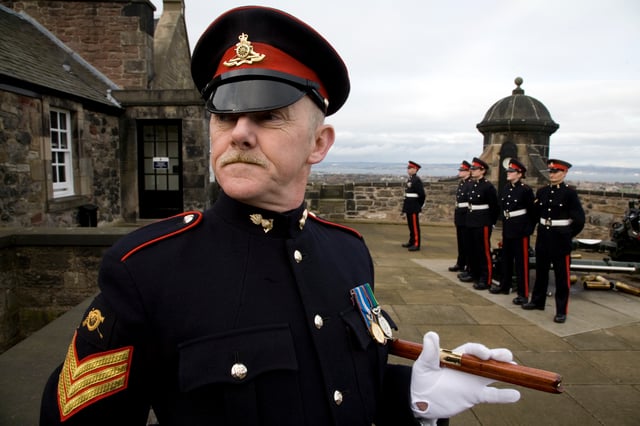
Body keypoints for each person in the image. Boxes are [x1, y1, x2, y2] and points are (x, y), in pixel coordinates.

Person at [39, 6, 520, 425]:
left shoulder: (348, 253)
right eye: (225, 116)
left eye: (269, 116)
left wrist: (413, 397)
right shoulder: (147, 270)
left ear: (318, 143)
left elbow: (341, 389)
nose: (240, 134)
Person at [523, 159, 585, 323]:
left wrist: (567, 234)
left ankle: (561, 310)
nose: (552, 174)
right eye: (550, 171)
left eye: (556, 171)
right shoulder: (543, 192)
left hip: (560, 239)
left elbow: (579, 220)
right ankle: (537, 301)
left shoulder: (569, 194)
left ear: (564, 173)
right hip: (544, 236)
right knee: (541, 272)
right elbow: (536, 214)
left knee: (561, 277)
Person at [489, 159, 535, 306]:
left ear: (519, 174)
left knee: (521, 263)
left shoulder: (525, 190)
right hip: (508, 227)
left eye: (511, 172)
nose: (508, 174)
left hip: (520, 229)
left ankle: (523, 293)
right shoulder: (507, 188)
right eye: (508, 171)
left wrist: (527, 230)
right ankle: (504, 285)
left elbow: (532, 213)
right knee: (506, 259)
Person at [459, 157, 499, 290]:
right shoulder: (471, 184)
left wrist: (490, 222)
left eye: (475, 169)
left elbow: (494, 207)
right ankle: (473, 272)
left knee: (483, 251)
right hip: (471, 219)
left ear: (482, 171)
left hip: (482, 221)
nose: (472, 170)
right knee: (471, 249)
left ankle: (485, 278)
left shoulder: (487, 186)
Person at [449, 160, 472, 272]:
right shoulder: (462, 183)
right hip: (460, 215)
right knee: (460, 242)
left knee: (466, 242)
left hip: (466, 215)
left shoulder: (470, 184)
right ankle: (460, 262)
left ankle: (467, 264)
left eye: (462, 170)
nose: (460, 172)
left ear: (468, 172)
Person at [401, 161, 426, 251]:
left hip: (414, 206)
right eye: (408, 168)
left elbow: (422, 195)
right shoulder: (410, 179)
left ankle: (416, 243)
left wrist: (418, 205)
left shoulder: (416, 180)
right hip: (409, 205)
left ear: (415, 169)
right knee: (411, 226)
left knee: (415, 226)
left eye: (410, 168)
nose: (408, 170)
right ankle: (411, 241)